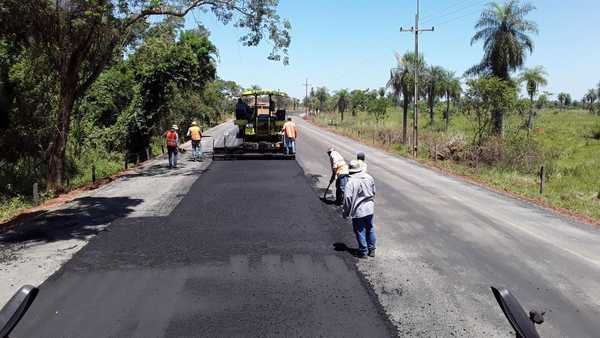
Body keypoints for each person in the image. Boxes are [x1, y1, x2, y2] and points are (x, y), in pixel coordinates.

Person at [343, 160, 376, 258]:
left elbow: (347, 199)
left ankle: (363, 251)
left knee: (359, 230)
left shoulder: (351, 182)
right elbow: (374, 192)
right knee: (370, 228)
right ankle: (372, 249)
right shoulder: (369, 177)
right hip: (369, 208)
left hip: (358, 210)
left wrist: (346, 212)